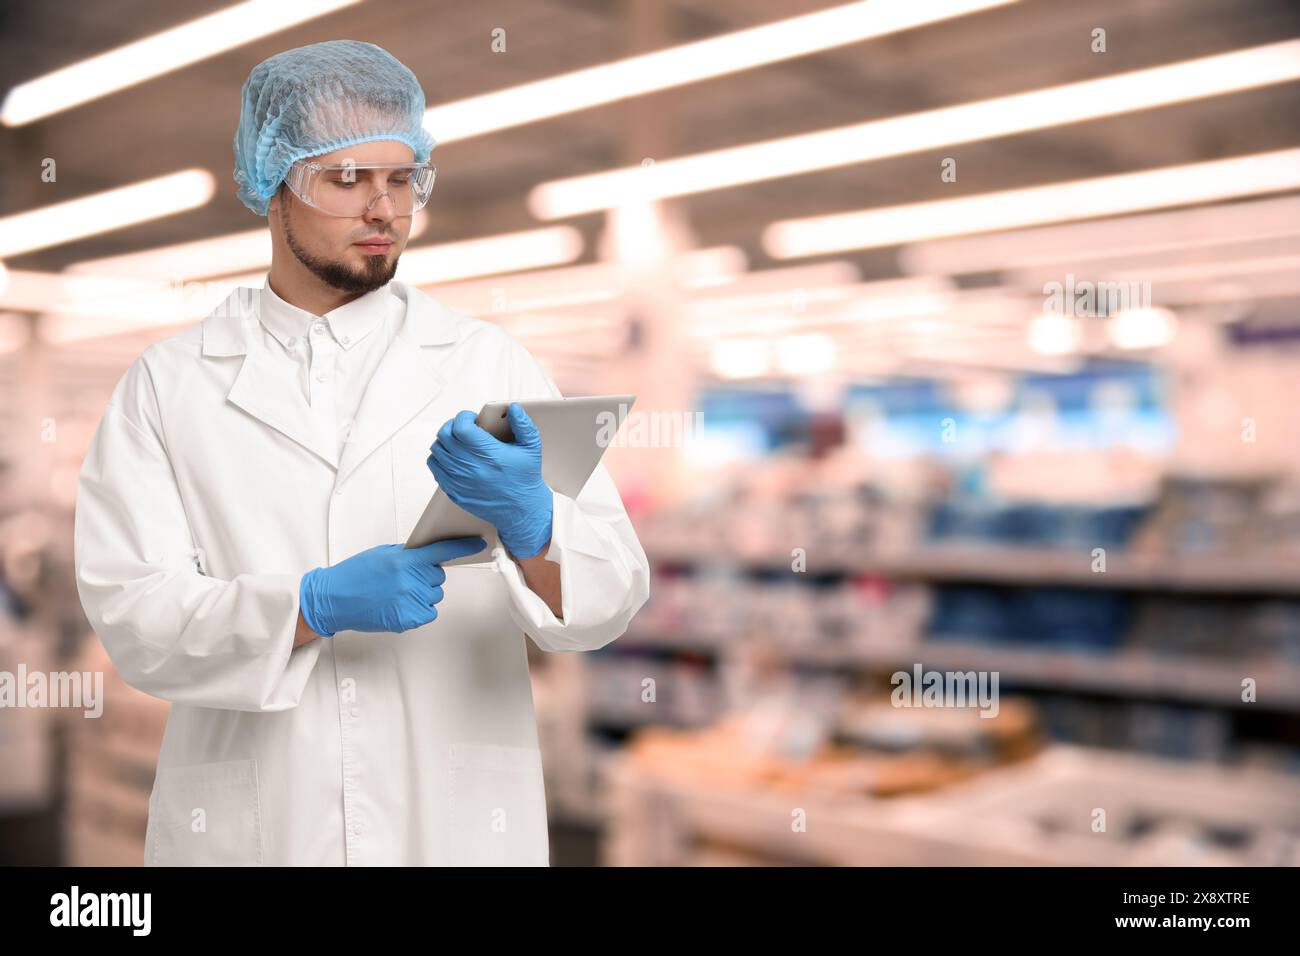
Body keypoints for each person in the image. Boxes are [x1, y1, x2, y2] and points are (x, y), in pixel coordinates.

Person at [73, 39, 650, 866]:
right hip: (256, 829)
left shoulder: (490, 364)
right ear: (272, 182)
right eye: (346, 179)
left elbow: (611, 599)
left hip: (453, 826)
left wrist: (537, 528)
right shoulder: (169, 386)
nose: (383, 209)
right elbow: (134, 618)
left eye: (402, 177)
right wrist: (307, 606)